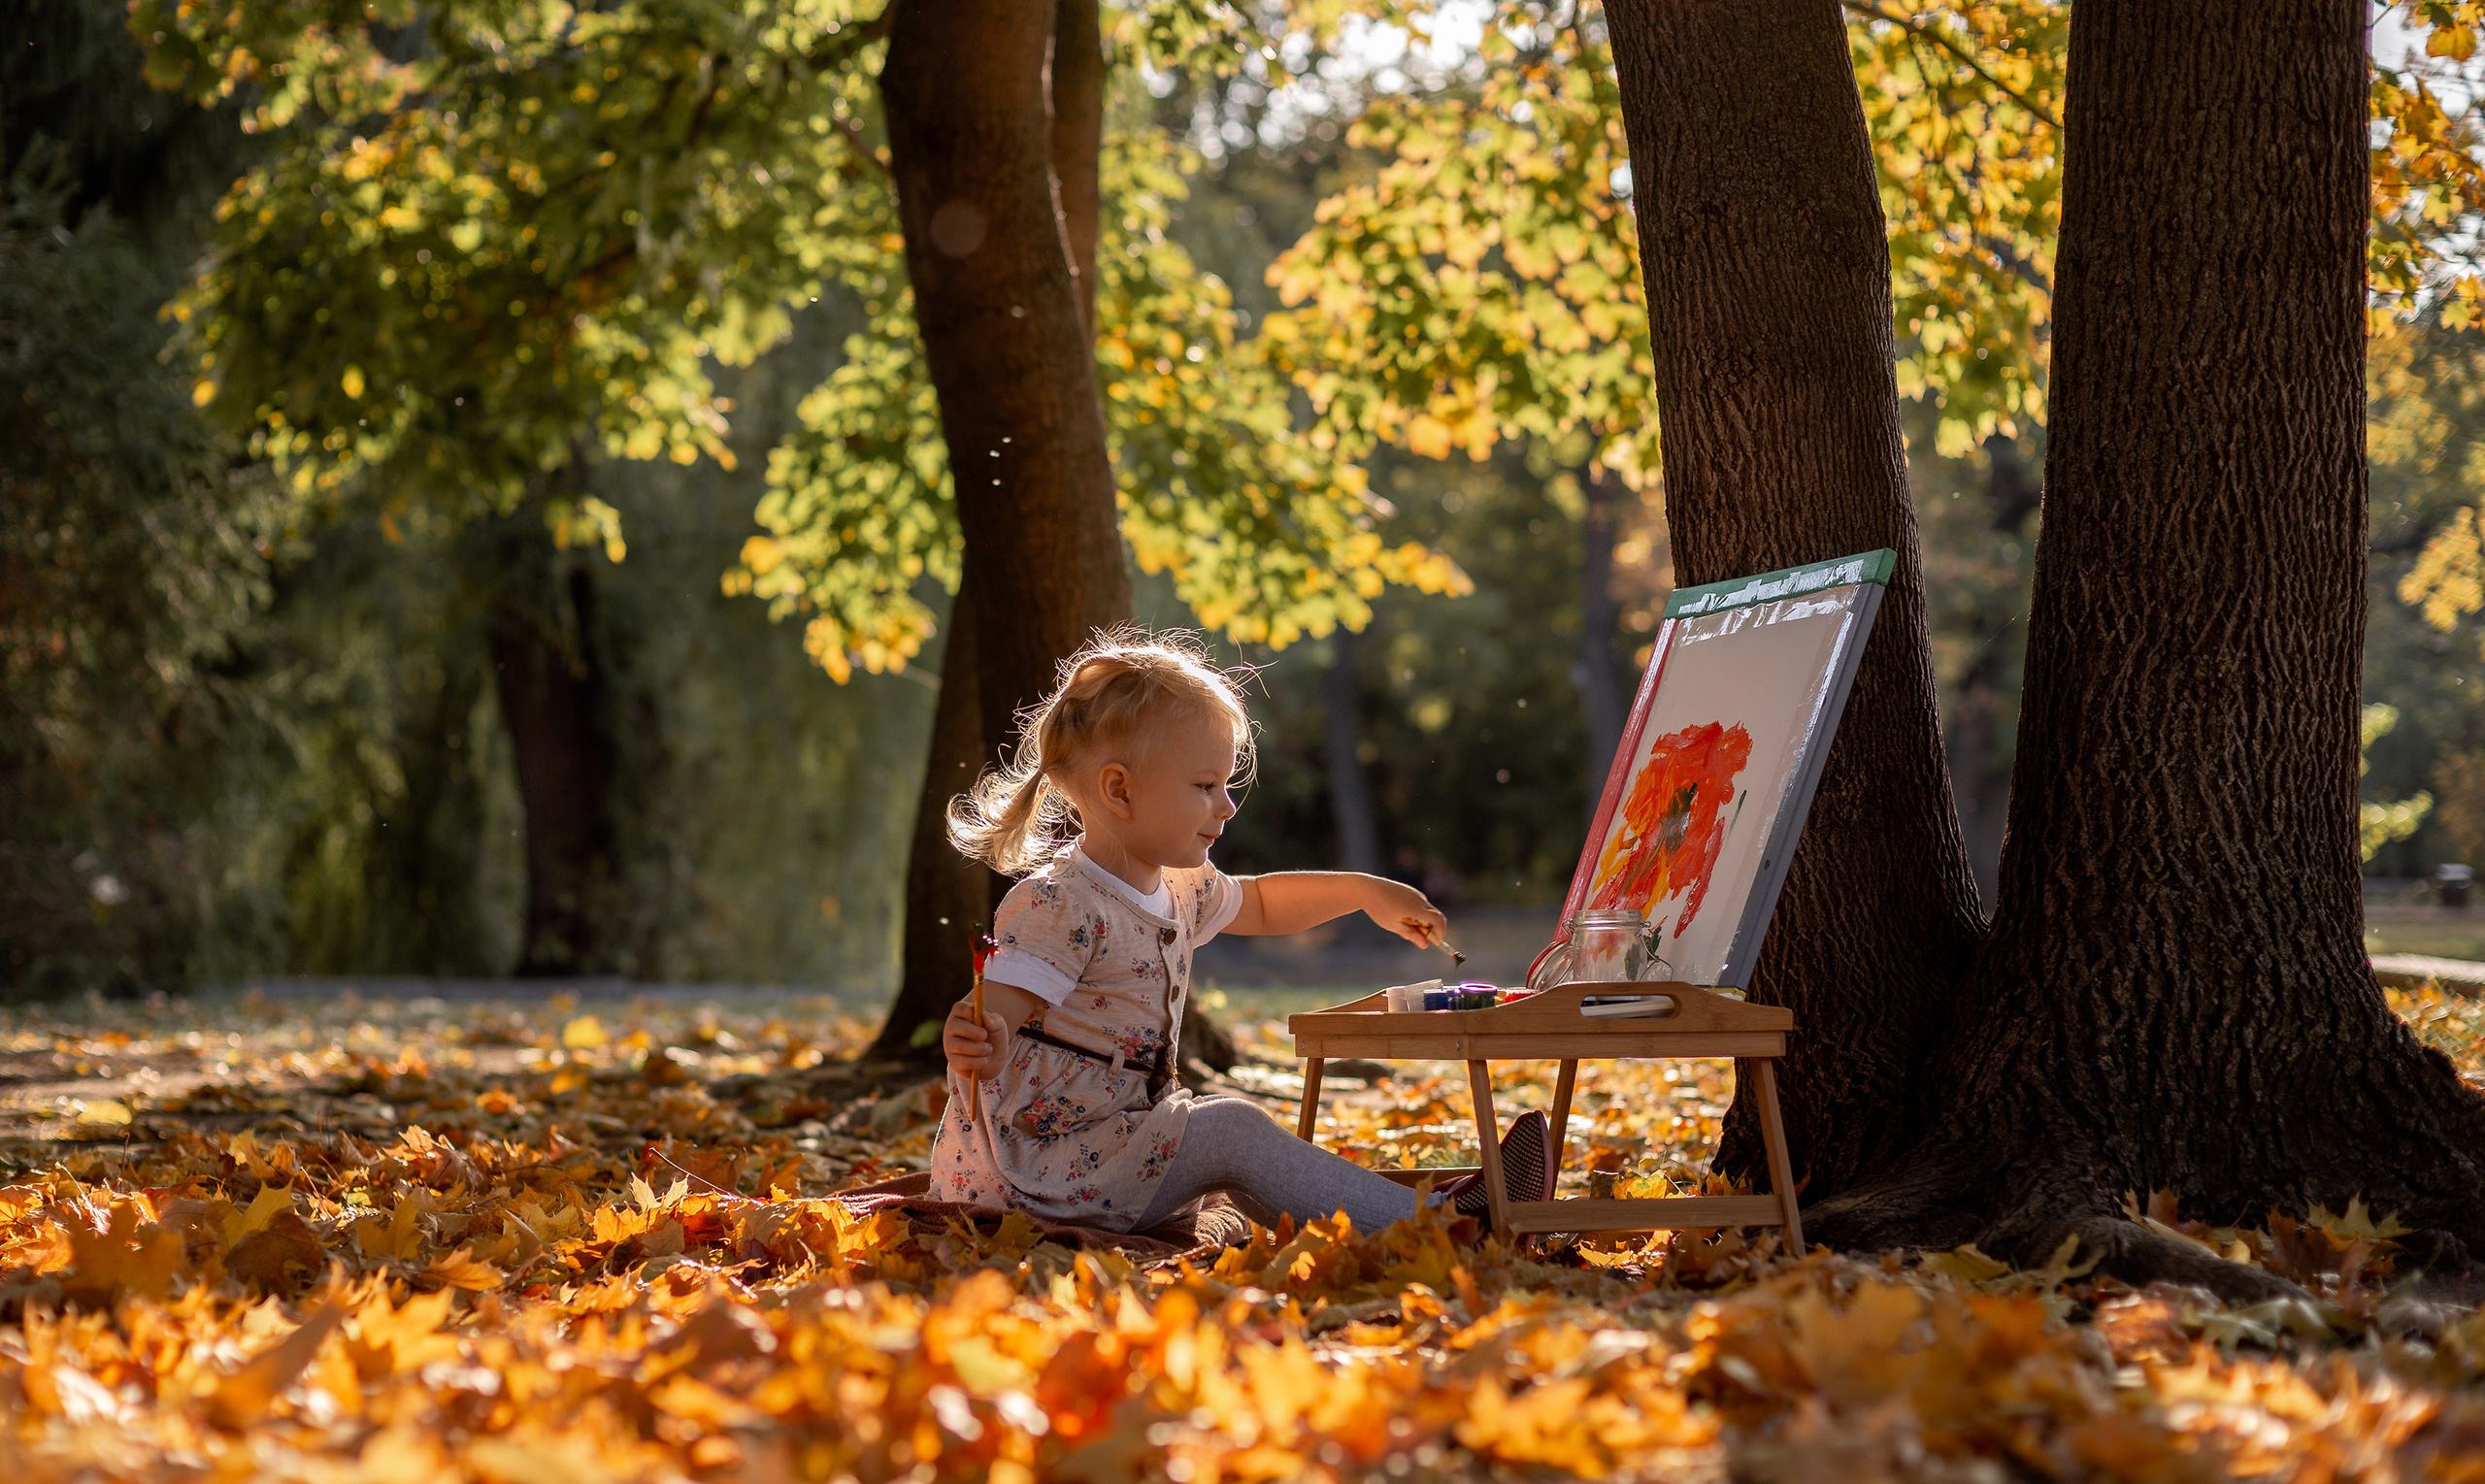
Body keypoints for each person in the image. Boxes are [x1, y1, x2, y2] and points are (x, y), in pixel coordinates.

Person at [932, 629, 1553, 1234]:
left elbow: (1262, 902)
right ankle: (1437, 1226)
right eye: (1205, 786)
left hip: (1119, 1146)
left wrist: (1364, 893)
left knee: (1223, 1135)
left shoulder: (1180, 886)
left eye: (1225, 784)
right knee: (1228, 1129)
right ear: (1119, 790)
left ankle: (1408, 1213)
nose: (1227, 806)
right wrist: (980, 1035)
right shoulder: (1060, 903)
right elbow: (999, 1005)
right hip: (1041, 1170)